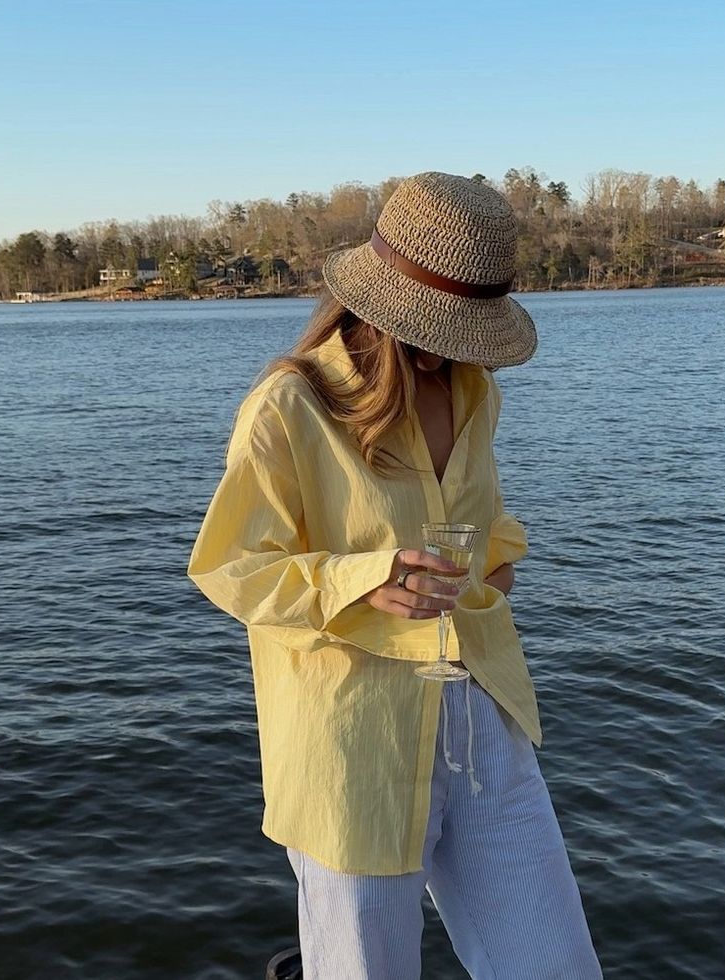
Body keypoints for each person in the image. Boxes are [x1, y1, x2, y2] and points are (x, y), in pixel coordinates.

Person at [187, 171, 604, 979]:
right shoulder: (292, 405)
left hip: (482, 718)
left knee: (556, 966)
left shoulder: (474, 391)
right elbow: (231, 566)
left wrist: (499, 560)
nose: (455, 346)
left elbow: (487, 519)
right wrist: (362, 582)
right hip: (353, 741)